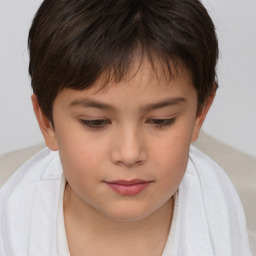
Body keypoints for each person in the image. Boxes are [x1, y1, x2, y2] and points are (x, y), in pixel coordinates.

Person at [0, 0, 252, 255]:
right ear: (46, 122)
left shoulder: (217, 208)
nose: (130, 154)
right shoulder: (13, 225)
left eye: (161, 120)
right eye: (95, 122)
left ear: (200, 113)